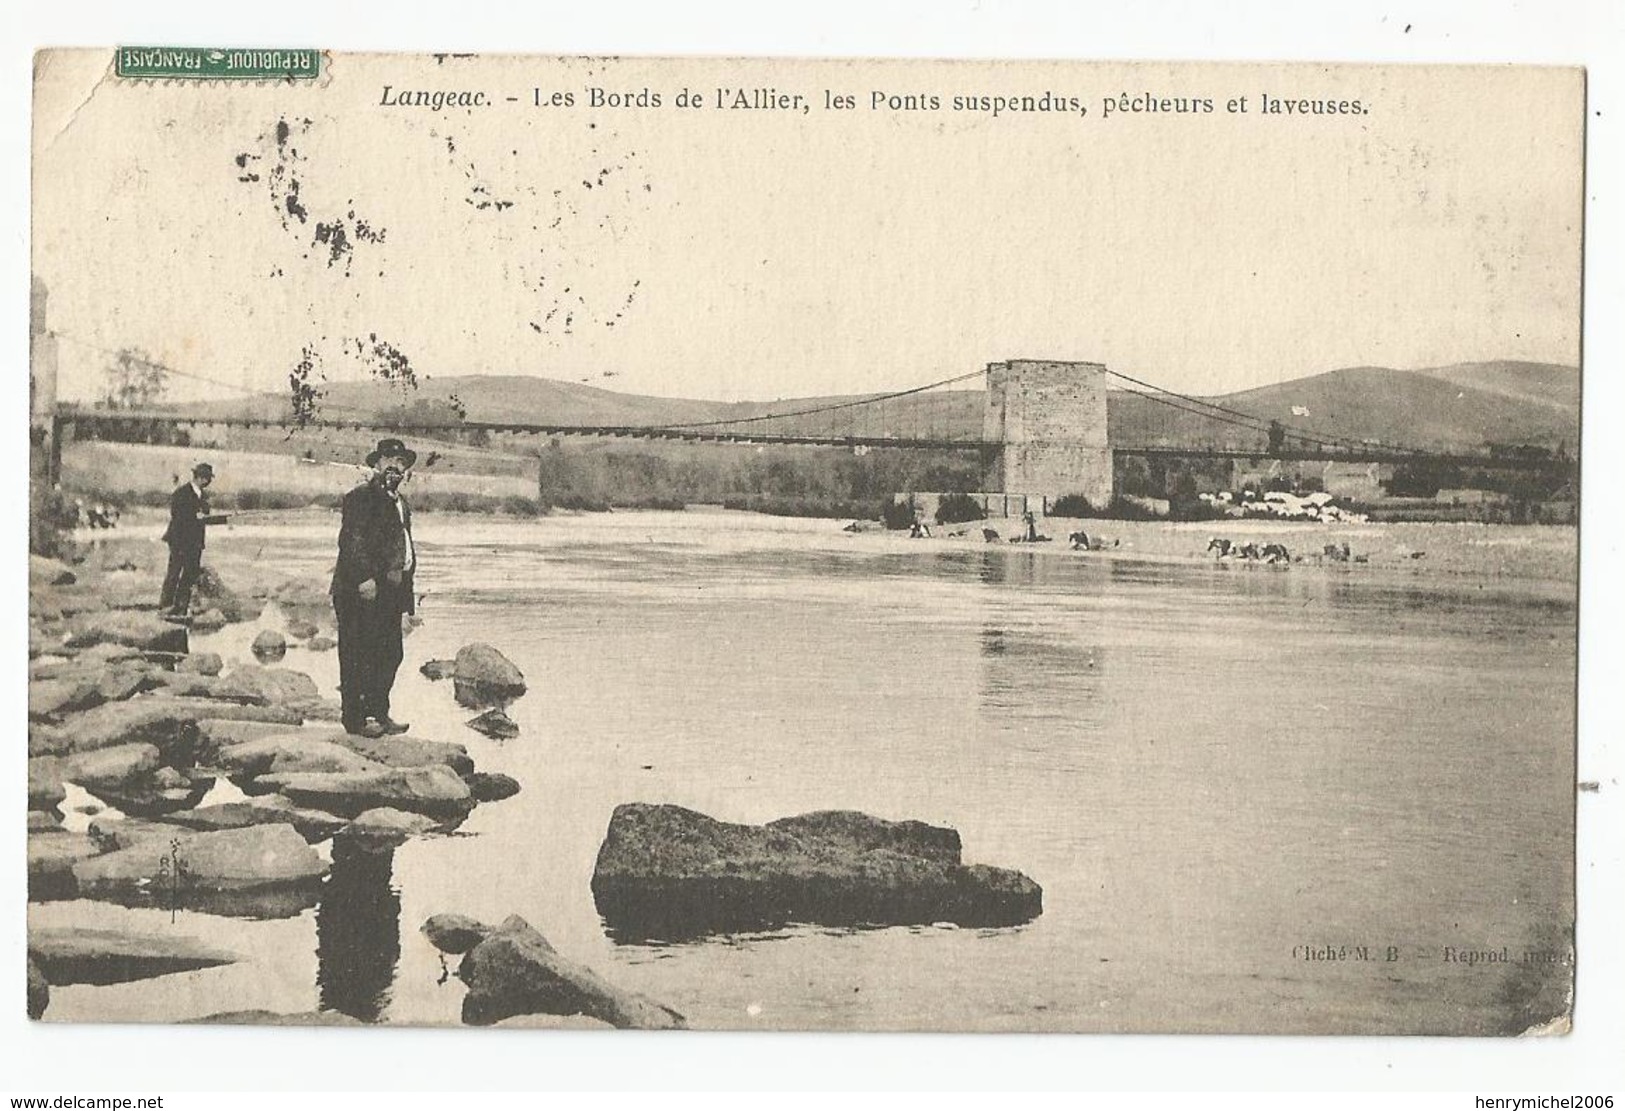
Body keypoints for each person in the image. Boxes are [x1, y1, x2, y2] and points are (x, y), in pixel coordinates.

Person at [332, 438, 419, 738]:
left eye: (401, 462)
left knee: (390, 653)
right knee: (356, 653)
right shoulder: (360, 497)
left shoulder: (401, 503)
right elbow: (351, 542)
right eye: (388, 461)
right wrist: (363, 579)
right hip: (360, 590)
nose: (395, 466)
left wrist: (408, 603)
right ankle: (354, 721)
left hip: (390, 592)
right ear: (376, 465)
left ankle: (379, 713)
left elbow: (403, 550)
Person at [159, 462, 228, 620]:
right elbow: (177, 515)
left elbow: (204, 517)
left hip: (195, 543)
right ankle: (165, 606)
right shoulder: (181, 493)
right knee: (174, 572)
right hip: (179, 540)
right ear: (201, 478)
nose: (209, 482)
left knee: (190, 574)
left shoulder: (203, 496)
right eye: (208, 478)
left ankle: (181, 607)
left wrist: (222, 519)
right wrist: (195, 517)